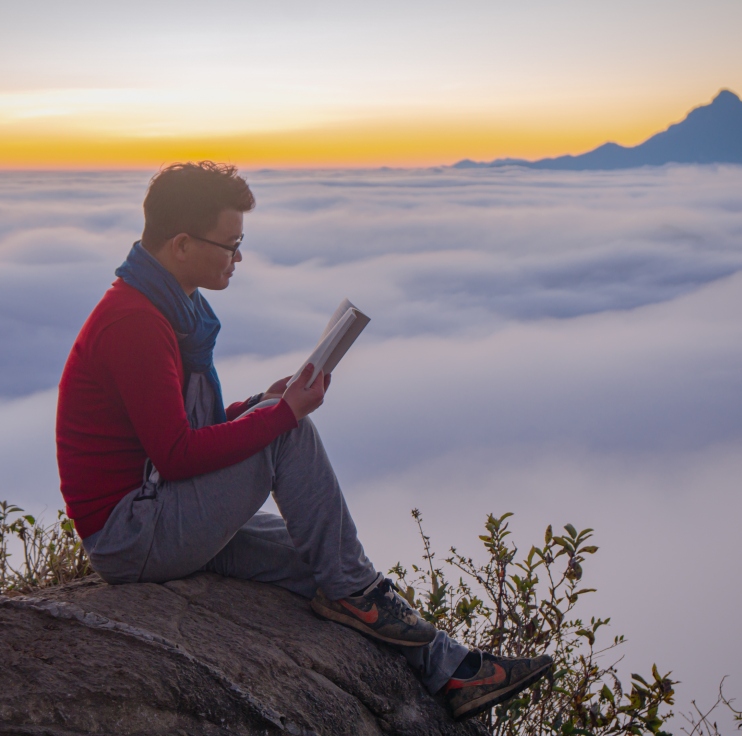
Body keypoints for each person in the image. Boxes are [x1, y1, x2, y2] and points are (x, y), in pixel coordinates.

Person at [55, 161, 552, 722]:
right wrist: (280, 416)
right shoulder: (136, 322)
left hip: (157, 510)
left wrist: (258, 405)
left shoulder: (167, 308)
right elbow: (174, 455)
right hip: (133, 533)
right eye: (231, 244)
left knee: (320, 555)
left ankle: (453, 671)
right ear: (182, 244)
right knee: (292, 439)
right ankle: (356, 593)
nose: (238, 258)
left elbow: (181, 435)